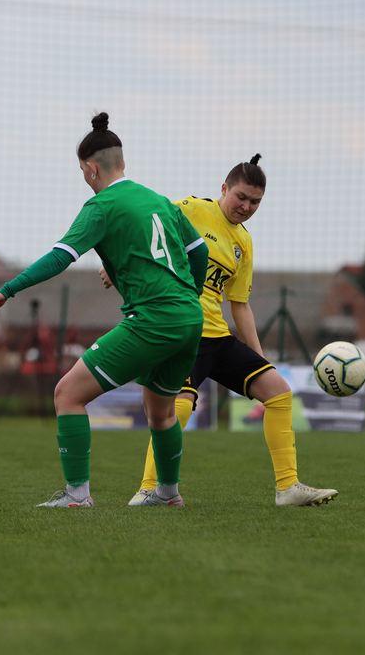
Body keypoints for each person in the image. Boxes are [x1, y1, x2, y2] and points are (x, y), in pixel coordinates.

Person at [0, 112, 208, 508]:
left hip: (153, 318)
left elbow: (59, 257)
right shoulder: (158, 200)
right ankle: (168, 495)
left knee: (67, 394)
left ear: (90, 168)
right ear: (122, 161)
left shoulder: (101, 205)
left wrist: (7, 290)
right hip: (189, 316)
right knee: (161, 411)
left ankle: (76, 496)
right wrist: (188, 291)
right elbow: (199, 251)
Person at [104, 155, 338, 507]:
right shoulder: (192, 209)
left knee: (279, 393)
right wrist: (117, 260)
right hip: (181, 331)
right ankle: (150, 488)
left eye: (255, 202)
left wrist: (259, 357)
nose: (246, 206)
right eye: (240, 197)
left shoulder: (244, 243)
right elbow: (146, 222)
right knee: (178, 408)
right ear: (223, 188)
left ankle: (288, 487)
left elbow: (239, 305)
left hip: (218, 337)